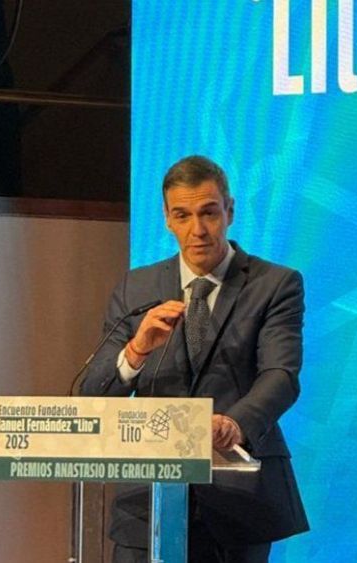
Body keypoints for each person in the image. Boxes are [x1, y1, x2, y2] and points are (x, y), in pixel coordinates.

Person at [81, 155, 309, 563]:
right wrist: (136, 350)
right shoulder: (137, 287)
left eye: (209, 213)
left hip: (237, 502)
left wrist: (235, 424)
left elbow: (281, 375)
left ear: (229, 212)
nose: (197, 230)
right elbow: (92, 392)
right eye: (182, 216)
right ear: (167, 219)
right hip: (145, 504)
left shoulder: (275, 284)